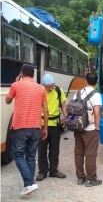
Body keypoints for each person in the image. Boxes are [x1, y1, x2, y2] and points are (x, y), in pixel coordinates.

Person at [5, 64, 48, 196]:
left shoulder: (16, 85)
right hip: (36, 127)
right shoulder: (41, 89)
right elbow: (45, 110)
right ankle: (28, 185)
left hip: (20, 127)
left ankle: (29, 182)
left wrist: (16, 82)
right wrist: (45, 127)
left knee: (18, 155)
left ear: (21, 74)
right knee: (30, 156)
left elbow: (7, 101)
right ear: (34, 75)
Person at [72, 72, 102, 187]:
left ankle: (80, 178)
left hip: (78, 127)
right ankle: (91, 179)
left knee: (78, 152)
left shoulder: (78, 93)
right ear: (96, 82)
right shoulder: (96, 95)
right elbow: (97, 113)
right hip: (90, 129)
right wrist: (97, 127)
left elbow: (73, 110)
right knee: (90, 153)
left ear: (85, 81)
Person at [36, 74, 68, 181]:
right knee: (42, 149)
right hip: (41, 124)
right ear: (43, 85)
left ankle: (53, 170)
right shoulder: (39, 91)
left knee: (55, 149)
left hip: (55, 124)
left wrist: (67, 118)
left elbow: (63, 106)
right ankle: (42, 171)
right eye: (48, 86)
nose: (50, 88)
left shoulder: (58, 90)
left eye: (51, 86)